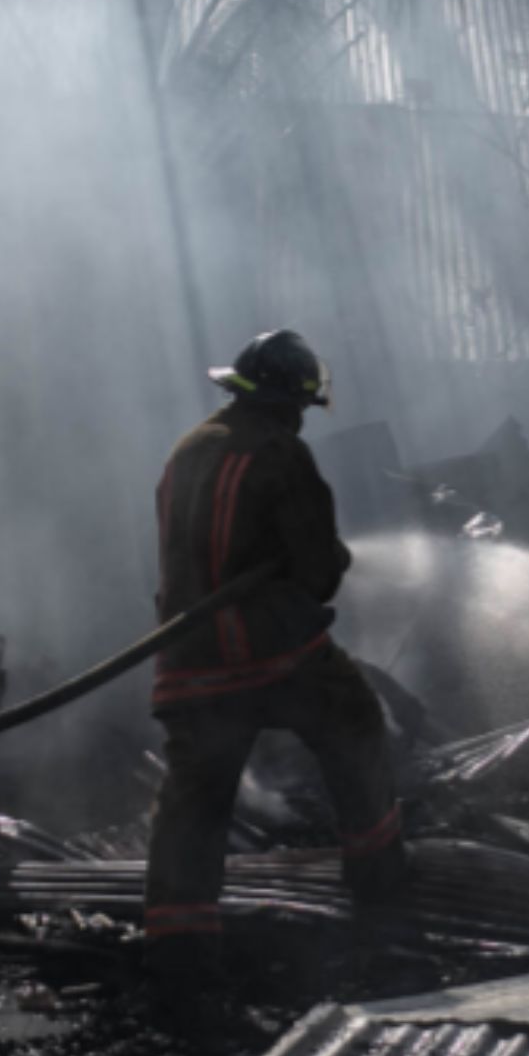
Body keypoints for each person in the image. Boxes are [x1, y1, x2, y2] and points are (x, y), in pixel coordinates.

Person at [143, 329, 405, 977]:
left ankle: (180, 950)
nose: (301, 422)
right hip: (274, 657)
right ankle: (380, 891)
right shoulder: (281, 455)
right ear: (286, 402)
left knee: (196, 797)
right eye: (300, 409)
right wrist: (333, 558)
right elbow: (317, 571)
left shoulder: (187, 450)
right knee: (356, 725)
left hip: (188, 659)